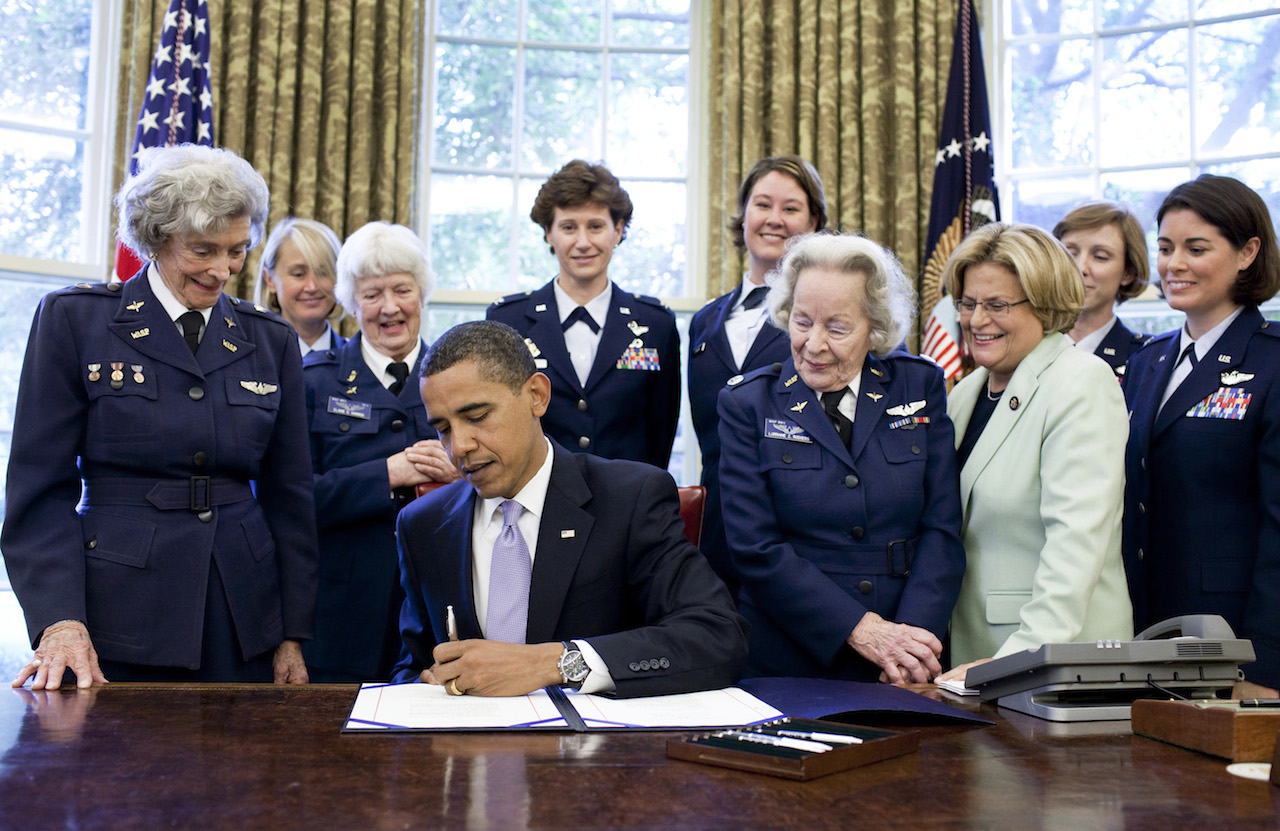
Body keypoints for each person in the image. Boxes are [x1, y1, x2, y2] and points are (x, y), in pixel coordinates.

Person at [5, 144, 318, 689]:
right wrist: (59, 622)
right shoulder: (77, 322)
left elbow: (290, 497)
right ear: (156, 237)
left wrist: (291, 633)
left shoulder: (270, 341)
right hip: (116, 611)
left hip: (240, 614)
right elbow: (39, 491)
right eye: (203, 251)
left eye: (238, 250)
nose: (222, 270)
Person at [391, 320, 748, 697]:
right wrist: (424, 683)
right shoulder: (421, 524)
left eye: (477, 417)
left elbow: (717, 636)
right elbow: (411, 667)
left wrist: (556, 663)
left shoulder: (630, 499)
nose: (458, 446)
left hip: (594, 750)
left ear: (537, 395)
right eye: (443, 428)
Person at [716, 233, 965, 684]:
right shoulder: (748, 403)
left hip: (907, 657)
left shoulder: (918, 387)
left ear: (876, 326)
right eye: (802, 321)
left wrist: (910, 641)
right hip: (789, 655)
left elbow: (942, 529)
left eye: (837, 327)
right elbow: (755, 548)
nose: (813, 345)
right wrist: (861, 629)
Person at [937, 222, 1133, 686]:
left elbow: (1075, 542)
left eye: (997, 305)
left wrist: (1017, 660)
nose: (976, 320)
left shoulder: (1081, 381)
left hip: (1052, 661)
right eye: (968, 303)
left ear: (1044, 303)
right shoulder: (965, 393)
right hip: (972, 654)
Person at [1123, 174, 1280, 695]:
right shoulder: (1146, 361)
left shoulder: (1273, 361)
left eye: (1196, 248)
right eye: (1165, 248)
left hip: (1232, 641)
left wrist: (1264, 663)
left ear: (1247, 252)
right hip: (1141, 631)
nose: (1174, 264)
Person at [302, 221, 460, 682]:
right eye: (372, 294)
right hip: (340, 612)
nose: (389, 308)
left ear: (422, 295)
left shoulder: (460, 376)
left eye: (402, 290)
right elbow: (290, 499)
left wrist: (462, 473)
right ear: (352, 302)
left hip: (439, 609)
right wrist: (386, 474)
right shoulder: (313, 380)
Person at [688, 155, 827, 597]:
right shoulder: (704, 321)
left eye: (791, 209)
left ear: (814, 222)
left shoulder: (826, 320)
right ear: (743, 214)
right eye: (762, 205)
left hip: (799, 540)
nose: (774, 220)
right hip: (716, 540)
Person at [487, 160, 680, 469]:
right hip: (537, 501)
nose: (582, 242)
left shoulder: (656, 324)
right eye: (568, 227)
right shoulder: (508, 321)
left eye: (595, 226)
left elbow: (661, 434)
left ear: (617, 231)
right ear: (549, 233)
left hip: (629, 501)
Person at [1053, 200, 1151, 375]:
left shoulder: (1145, 359)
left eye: (1100, 256)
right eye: (1070, 253)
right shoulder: (1025, 349)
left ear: (1128, 273)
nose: (1081, 267)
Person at [254, 217, 346, 356]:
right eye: (298, 274)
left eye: (322, 273)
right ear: (270, 280)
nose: (312, 287)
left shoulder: (359, 362)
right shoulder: (249, 359)